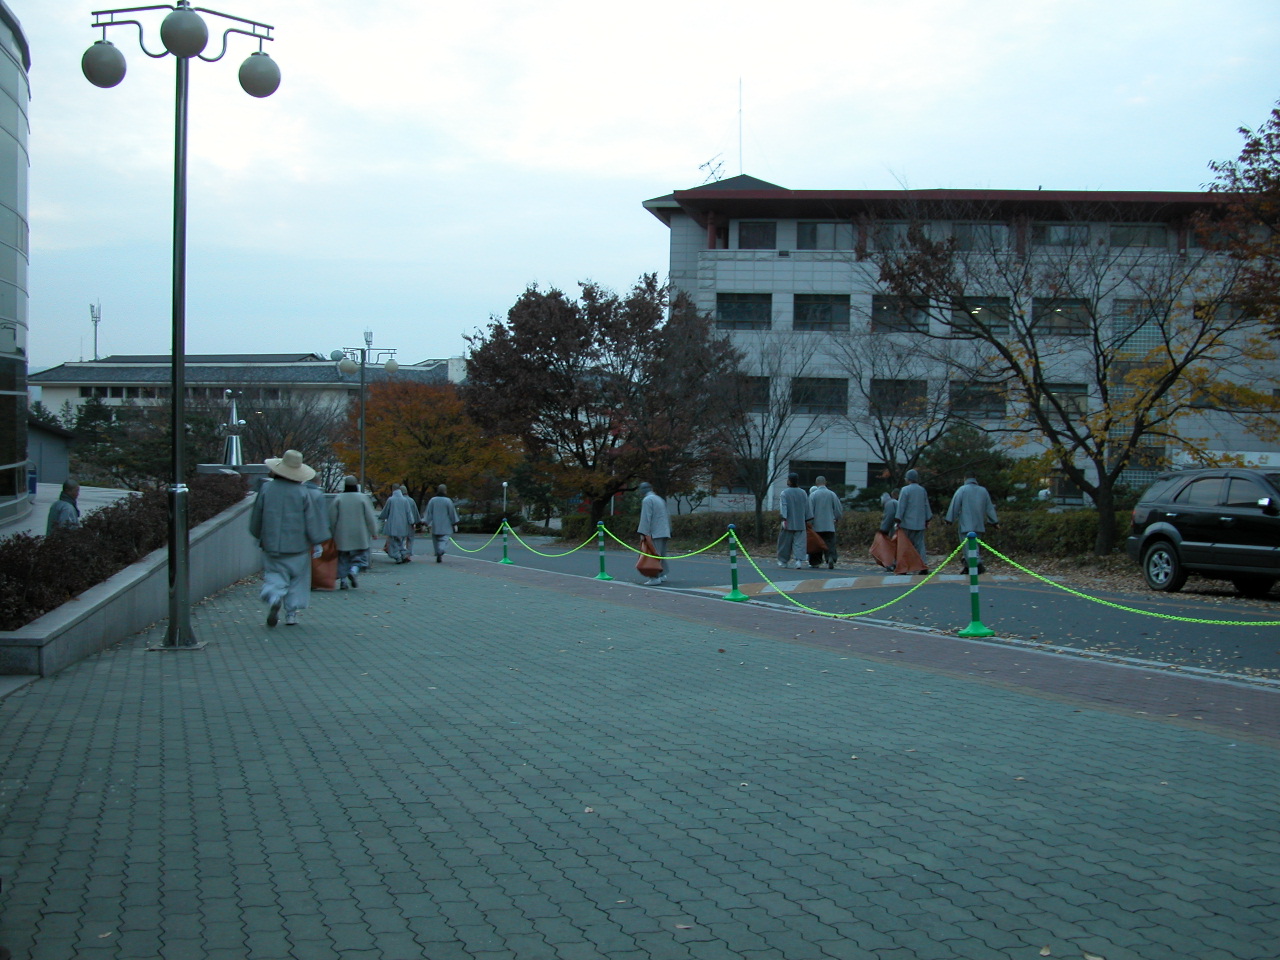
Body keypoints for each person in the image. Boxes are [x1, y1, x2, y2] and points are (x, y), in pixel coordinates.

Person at [249, 449, 332, 627]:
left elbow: (257, 516)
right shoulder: (302, 492)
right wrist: (317, 542)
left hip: (271, 543)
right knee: (298, 579)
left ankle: (274, 596)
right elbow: (312, 519)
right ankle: (291, 614)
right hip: (298, 545)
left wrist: (258, 535)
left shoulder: (266, 489)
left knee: (274, 574)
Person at [329, 475, 378, 588]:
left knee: (342, 558)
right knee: (360, 556)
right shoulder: (362, 498)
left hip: (342, 535)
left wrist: (332, 532)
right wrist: (374, 532)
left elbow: (332, 518)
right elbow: (370, 517)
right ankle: (354, 570)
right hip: (359, 534)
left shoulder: (339, 498)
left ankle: (343, 581)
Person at [945, 475, 999, 574]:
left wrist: (950, 519)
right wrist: (994, 521)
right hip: (979, 524)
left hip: (966, 524)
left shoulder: (962, 490)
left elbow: (955, 505)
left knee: (967, 548)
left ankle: (977, 565)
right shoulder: (983, 491)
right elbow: (989, 508)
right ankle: (968, 566)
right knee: (974, 548)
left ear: (965, 478)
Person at [895, 469, 932, 573]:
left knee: (905, 546)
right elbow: (926, 505)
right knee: (920, 546)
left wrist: (898, 519)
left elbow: (901, 506)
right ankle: (923, 566)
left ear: (908, 479)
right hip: (920, 523)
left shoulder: (905, 490)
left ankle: (903, 568)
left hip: (907, 523)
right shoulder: (922, 490)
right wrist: (927, 519)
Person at [637, 481, 671, 584]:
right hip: (664, 530)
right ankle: (662, 574)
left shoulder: (647, 500)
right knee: (661, 555)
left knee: (653, 555)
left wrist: (643, 533)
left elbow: (646, 517)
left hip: (655, 532)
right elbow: (667, 515)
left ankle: (654, 577)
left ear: (643, 490)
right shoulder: (659, 499)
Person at [777, 472, 813, 570]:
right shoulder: (803, 492)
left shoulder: (784, 493)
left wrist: (783, 518)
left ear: (789, 481)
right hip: (801, 522)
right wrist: (807, 518)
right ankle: (798, 561)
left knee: (785, 543)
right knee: (800, 543)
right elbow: (807, 507)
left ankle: (783, 561)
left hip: (788, 522)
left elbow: (783, 506)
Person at [808, 476, 843, 570]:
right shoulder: (832, 494)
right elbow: (838, 509)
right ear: (825, 482)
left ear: (816, 483)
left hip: (816, 525)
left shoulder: (813, 495)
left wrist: (810, 522)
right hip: (829, 524)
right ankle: (830, 557)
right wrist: (837, 518)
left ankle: (815, 562)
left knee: (816, 545)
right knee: (830, 543)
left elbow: (810, 511)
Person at [379, 486, 419, 563]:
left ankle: (397, 556)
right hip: (403, 526)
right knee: (400, 542)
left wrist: (381, 517)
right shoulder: (405, 500)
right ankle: (404, 554)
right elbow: (409, 513)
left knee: (393, 542)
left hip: (393, 525)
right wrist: (412, 522)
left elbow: (385, 512)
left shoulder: (390, 500)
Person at [424, 484, 460, 563]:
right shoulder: (448, 501)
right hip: (446, 525)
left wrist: (426, 521)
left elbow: (429, 513)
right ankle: (441, 549)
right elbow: (452, 513)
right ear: (445, 491)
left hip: (435, 524)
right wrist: (454, 522)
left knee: (435, 540)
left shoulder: (432, 500)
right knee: (444, 539)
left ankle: (437, 552)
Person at [870, 489, 899, 571]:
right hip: (899, 526)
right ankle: (896, 563)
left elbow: (889, 517)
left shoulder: (889, 504)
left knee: (893, 546)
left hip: (894, 528)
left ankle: (893, 563)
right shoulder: (894, 502)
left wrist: (883, 529)